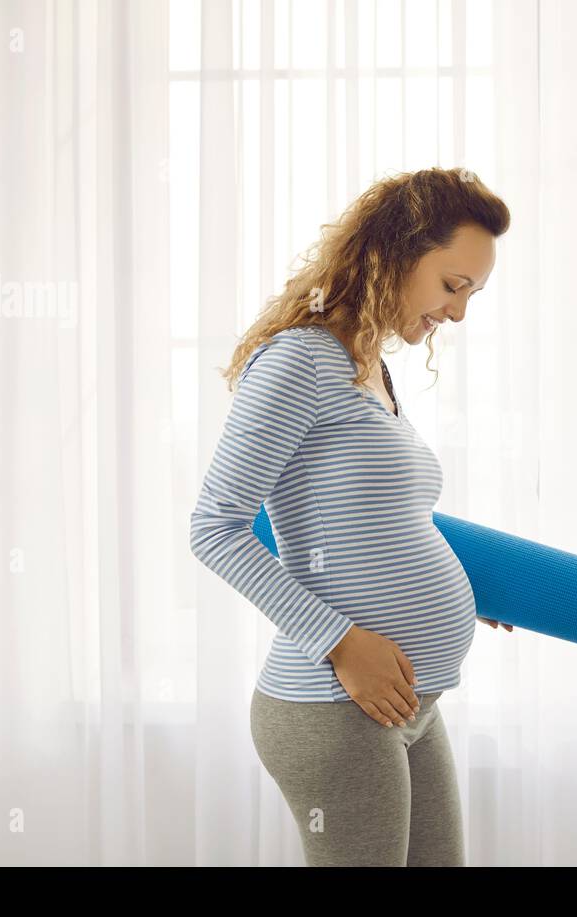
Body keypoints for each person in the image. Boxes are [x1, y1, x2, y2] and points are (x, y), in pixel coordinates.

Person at [189, 167, 513, 866]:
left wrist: (473, 583)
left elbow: (367, 517)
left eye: (472, 295)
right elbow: (215, 526)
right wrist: (340, 642)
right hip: (335, 706)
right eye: (453, 286)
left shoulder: (366, 364)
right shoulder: (300, 361)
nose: (457, 314)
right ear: (396, 252)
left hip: (408, 705)